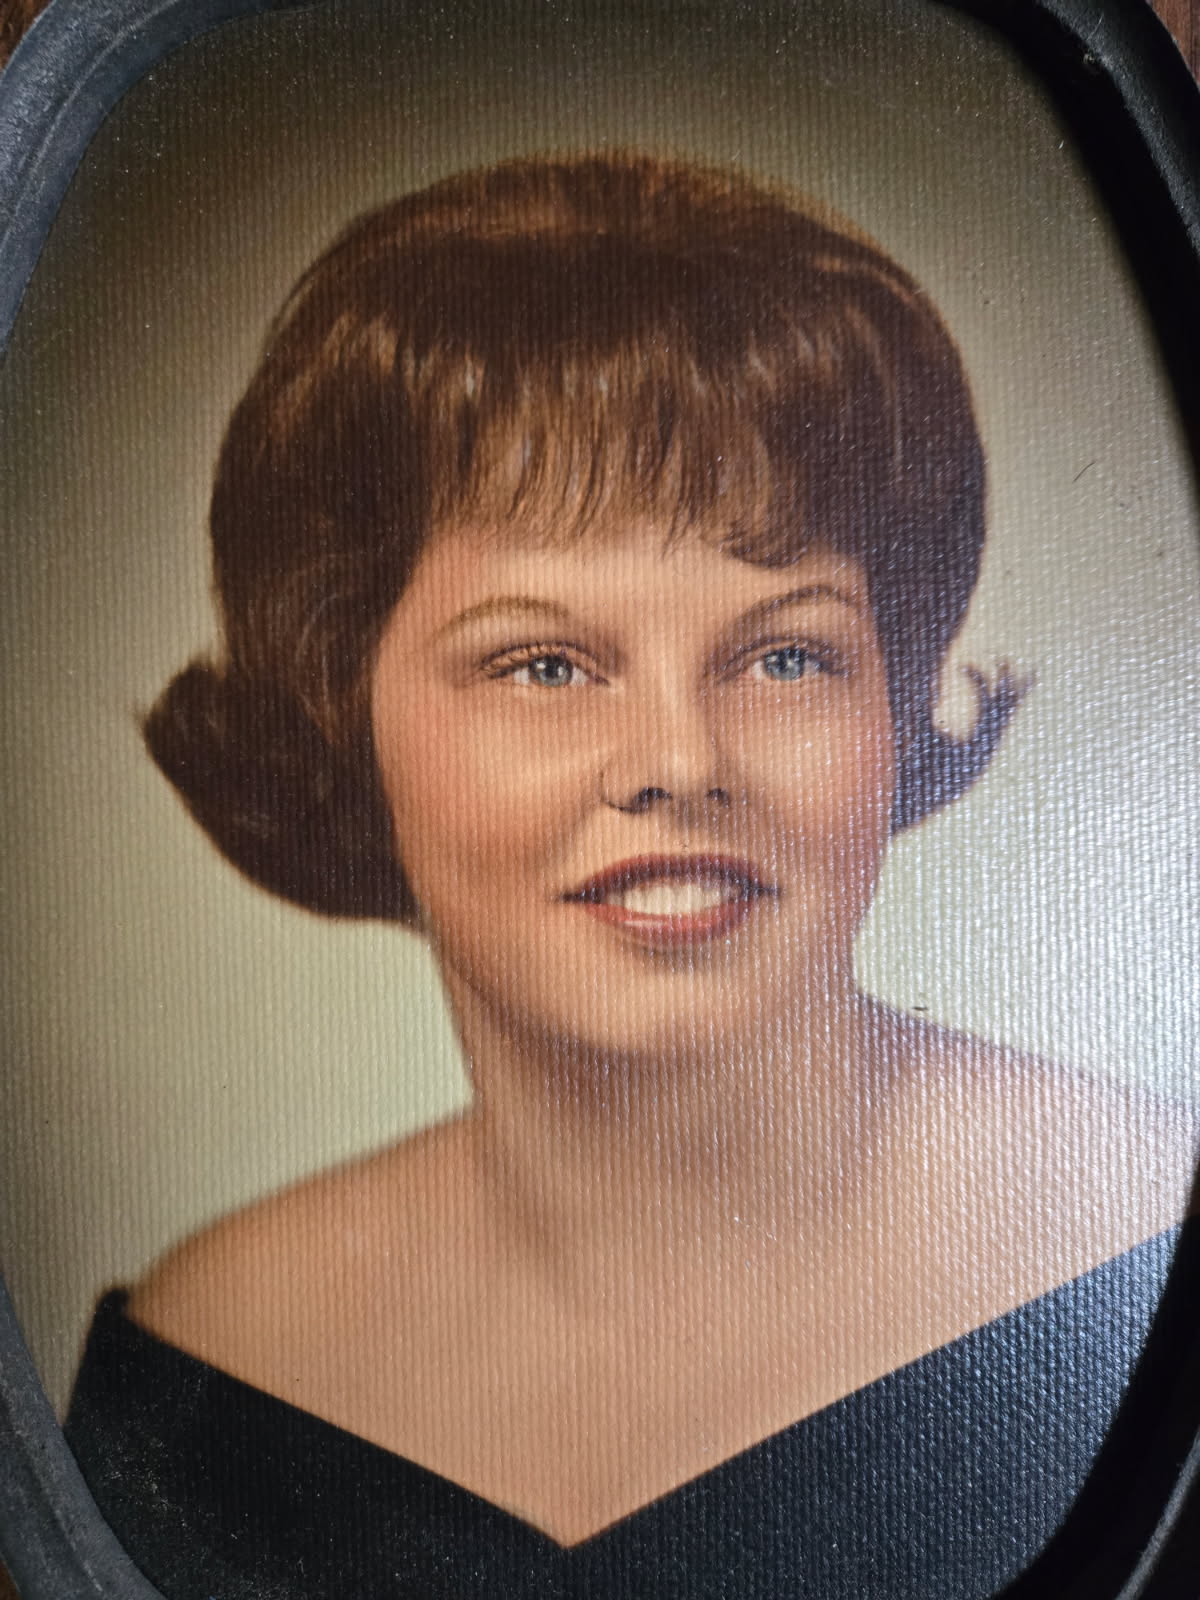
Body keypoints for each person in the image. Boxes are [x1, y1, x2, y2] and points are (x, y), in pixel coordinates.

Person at [65, 153, 1197, 1600]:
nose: (677, 761)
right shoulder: (211, 1361)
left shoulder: (1148, 1239)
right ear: (342, 709)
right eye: (545, 664)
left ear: (894, 696)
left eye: (784, 655)